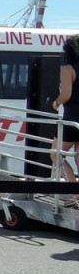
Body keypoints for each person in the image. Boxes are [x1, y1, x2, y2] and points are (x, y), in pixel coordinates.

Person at [51, 34, 79, 205]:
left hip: (72, 118)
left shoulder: (68, 69)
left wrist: (56, 102)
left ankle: (74, 189)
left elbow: (66, 95)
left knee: (56, 154)